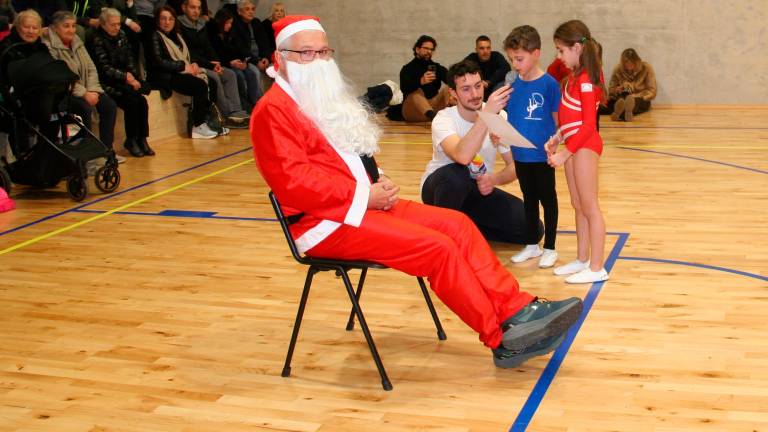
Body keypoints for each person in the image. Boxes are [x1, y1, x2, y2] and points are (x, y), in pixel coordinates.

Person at [251, 15, 583, 368]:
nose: (318, 60)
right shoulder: (272, 112)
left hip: (362, 205)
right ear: (280, 57)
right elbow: (295, 182)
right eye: (306, 53)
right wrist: (364, 196)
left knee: (458, 225)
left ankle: (517, 308)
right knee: (438, 249)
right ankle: (501, 338)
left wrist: (378, 179)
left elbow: (348, 154)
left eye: (323, 51)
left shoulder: (317, 98)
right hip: (326, 223)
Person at [422, 59, 535, 246]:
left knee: (531, 229)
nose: (475, 94)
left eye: (478, 86)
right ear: (453, 93)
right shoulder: (443, 119)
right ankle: (443, 237)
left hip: (476, 190)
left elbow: (516, 165)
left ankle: (466, 227)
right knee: (457, 173)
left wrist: (494, 180)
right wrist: (487, 115)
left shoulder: (500, 116)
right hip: (441, 190)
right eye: (466, 89)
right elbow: (462, 156)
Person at [546, 20, 608, 284]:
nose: (559, 56)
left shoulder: (585, 81)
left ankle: (597, 267)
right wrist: (557, 137)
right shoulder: (570, 79)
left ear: (576, 48)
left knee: (590, 206)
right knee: (577, 204)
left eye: (561, 51)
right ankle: (582, 259)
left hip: (585, 146)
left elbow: (588, 125)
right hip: (573, 145)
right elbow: (569, 120)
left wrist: (565, 152)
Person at [503, 25, 560, 269]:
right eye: (512, 59)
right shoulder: (513, 85)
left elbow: (559, 122)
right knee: (528, 199)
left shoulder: (549, 84)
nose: (515, 64)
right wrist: (500, 136)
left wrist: (557, 143)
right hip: (521, 155)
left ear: (536, 53)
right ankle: (531, 244)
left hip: (542, 155)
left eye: (519, 59)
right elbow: (511, 119)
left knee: (548, 199)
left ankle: (550, 247)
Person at [44, 10, 122, 163]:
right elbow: (61, 77)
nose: (71, 30)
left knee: (109, 105)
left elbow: (91, 67)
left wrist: (92, 89)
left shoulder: (77, 41)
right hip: (64, 94)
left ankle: (106, 151)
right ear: (54, 28)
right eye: (66, 26)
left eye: (73, 26)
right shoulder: (48, 47)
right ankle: (86, 157)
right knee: (84, 109)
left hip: (87, 89)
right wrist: (84, 93)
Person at [146, 6, 220, 139]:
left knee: (212, 82)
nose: (167, 22)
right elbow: (159, 62)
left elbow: (188, 57)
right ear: (157, 20)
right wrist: (182, 67)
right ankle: (198, 125)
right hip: (164, 75)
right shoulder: (154, 36)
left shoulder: (177, 36)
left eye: (170, 19)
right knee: (199, 86)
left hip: (178, 71)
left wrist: (195, 65)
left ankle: (209, 120)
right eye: (163, 19)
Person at [88, 7, 154, 157]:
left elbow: (130, 58)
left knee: (142, 101)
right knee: (131, 101)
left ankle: (142, 138)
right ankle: (131, 140)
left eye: (118, 24)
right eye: (113, 25)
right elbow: (103, 68)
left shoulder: (122, 35)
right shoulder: (96, 39)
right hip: (107, 83)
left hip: (124, 80)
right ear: (103, 24)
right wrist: (126, 77)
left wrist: (133, 77)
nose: (117, 27)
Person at [178, 0, 248, 126]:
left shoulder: (201, 24)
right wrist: (210, 65)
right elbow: (189, 52)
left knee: (230, 75)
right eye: (192, 7)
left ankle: (236, 111)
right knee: (215, 77)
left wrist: (217, 63)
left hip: (208, 62)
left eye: (199, 8)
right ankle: (227, 114)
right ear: (184, 8)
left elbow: (208, 46)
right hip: (194, 64)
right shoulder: (179, 25)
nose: (196, 11)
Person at [399, 35, 450, 122]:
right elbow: (404, 88)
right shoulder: (407, 68)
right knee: (416, 91)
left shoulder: (436, 67)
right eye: (426, 48)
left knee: (448, 88)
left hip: (432, 106)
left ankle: (448, 114)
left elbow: (451, 79)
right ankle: (433, 116)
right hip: (413, 110)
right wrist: (420, 81)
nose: (429, 51)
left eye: (431, 49)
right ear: (417, 49)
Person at [230, 0, 270, 107]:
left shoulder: (256, 22)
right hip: (247, 59)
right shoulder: (236, 25)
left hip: (260, 57)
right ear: (239, 11)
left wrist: (266, 57)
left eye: (252, 9)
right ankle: (258, 103)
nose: (251, 12)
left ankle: (272, 101)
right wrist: (256, 61)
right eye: (247, 9)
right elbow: (241, 49)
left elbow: (265, 42)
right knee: (255, 72)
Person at [606, 48, 657, 122]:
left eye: (631, 64)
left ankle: (619, 113)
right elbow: (611, 89)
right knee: (619, 101)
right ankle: (623, 112)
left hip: (640, 98)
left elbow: (652, 91)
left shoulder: (646, 68)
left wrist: (635, 96)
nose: (629, 67)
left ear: (636, 61)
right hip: (622, 97)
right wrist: (617, 89)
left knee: (634, 102)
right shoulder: (618, 69)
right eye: (626, 64)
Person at [463, 35, 510, 101]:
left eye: (488, 48)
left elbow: (506, 68)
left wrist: (489, 82)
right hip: (477, 89)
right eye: (482, 48)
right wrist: (479, 83)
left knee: (503, 84)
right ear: (476, 50)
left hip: (494, 88)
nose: (485, 51)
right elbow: (461, 70)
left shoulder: (496, 56)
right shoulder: (472, 58)